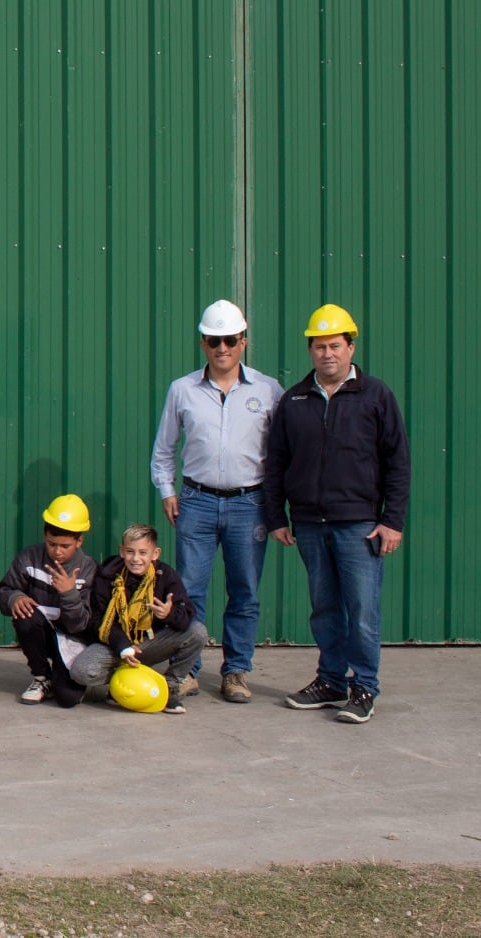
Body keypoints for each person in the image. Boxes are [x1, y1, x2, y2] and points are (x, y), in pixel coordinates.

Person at [264, 304, 409, 724]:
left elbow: (397, 460)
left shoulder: (376, 395)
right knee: (324, 607)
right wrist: (276, 515)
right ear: (310, 350)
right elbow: (276, 463)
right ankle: (331, 681)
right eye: (319, 346)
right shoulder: (295, 400)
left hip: (360, 525)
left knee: (362, 610)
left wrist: (392, 520)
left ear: (350, 347)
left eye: (335, 345)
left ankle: (364, 687)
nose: (327, 354)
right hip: (309, 523)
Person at [150, 300, 284, 703]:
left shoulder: (268, 390)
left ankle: (237, 672)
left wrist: (277, 506)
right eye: (213, 341)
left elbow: (281, 456)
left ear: (243, 342)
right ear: (203, 343)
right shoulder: (183, 390)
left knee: (244, 591)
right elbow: (164, 449)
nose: (221, 348)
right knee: (190, 591)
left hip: (250, 503)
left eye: (229, 340)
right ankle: (187, 670)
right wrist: (168, 491)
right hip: (197, 501)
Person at [71, 524, 207, 715]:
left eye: (143, 552)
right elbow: (97, 619)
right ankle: (121, 684)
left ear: (155, 553)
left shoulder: (166, 576)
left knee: (198, 632)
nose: (136, 559)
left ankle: (169, 688)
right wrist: (123, 646)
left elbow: (187, 616)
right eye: (130, 552)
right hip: (114, 645)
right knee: (81, 671)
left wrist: (169, 615)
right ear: (121, 551)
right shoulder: (108, 575)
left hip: (147, 645)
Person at [0, 494, 99, 708]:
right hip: (41, 632)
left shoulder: (89, 570)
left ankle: (69, 678)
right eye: (52, 544)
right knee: (25, 615)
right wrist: (15, 597)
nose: (57, 551)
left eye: (65, 545)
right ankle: (42, 677)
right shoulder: (29, 558)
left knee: (67, 699)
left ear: (79, 541)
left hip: (73, 639)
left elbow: (81, 624)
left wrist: (69, 593)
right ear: (44, 535)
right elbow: (4, 591)